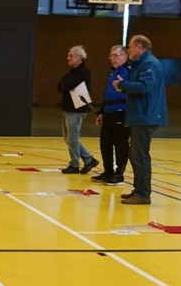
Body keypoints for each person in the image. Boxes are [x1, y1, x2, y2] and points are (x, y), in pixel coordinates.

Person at [113, 34, 168, 205]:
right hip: (140, 115)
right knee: (136, 154)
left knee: (140, 155)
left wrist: (123, 85)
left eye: (130, 47)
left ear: (139, 47)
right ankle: (139, 190)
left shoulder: (150, 64)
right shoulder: (141, 64)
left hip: (146, 115)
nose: (128, 50)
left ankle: (143, 194)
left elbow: (144, 87)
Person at [92, 44, 131, 185]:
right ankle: (108, 171)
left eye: (115, 55)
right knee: (105, 143)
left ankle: (119, 174)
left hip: (121, 112)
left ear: (125, 56)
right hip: (108, 111)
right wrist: (102, 111)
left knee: (120, 144)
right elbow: (107, 93)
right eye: (111, 55)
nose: (112, 58)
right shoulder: (112, 72)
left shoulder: (128, 71)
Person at [56, 45, 99, 175]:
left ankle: (74, 164)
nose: (68, 58)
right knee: (68, 138)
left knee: (72, 138)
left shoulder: (83, 72)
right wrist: (64, 84)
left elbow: (66, 84)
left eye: (71, 55)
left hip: (76, 109)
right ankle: (88, 159)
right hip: (68, 108)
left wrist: (64, 84)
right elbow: (60, 85)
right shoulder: (74, 71)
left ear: (79, 57)